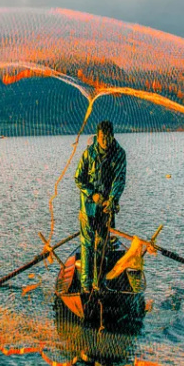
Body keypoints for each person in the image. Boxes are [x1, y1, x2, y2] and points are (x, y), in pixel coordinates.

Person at [74, 120, 127, 293]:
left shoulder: (119, 154)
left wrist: (112, 200)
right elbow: (78, 178)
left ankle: (100, 284)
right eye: (102, 137)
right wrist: (93, 194)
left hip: (106, 208)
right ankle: (86, 285)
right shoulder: (88, 153)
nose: (105, 141)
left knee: (103, 245)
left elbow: (119, 180)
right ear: (98, 136)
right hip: (88, 207)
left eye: (108, 137)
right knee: (87, 244)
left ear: (112, 136)